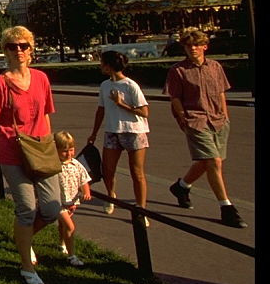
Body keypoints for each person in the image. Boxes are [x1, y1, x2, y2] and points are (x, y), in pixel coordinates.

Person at [0, 26, 59, 284]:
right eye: (13, 47)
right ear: (5, 51)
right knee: (27, 209)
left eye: (24, 45)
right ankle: (26, 267)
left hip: (40, 150)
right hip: (12, 153)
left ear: (31, 49)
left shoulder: (41, 79)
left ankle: (23, 238)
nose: (19, 51)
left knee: (51, 208)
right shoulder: (1, 83)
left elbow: (45, 115)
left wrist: (51, 148)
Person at [164, 29, 246, 228]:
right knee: (214, 161)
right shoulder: (178, 71)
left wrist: (225, 117)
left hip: (218, 120)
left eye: (195, 45)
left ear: (204, 47)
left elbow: (221, 93)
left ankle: (181, 187)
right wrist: (183, 118)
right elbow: (175, 97)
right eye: (188, 45)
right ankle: (226, 207)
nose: (192, 48)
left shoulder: (215, 67)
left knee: (206, 162)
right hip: (196, 120)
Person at [86, 50, 150, 223]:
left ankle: (141, 210)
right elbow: (101, 110)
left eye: (102, 63)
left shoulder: (130, 85)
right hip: (113, 131)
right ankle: (111, 197)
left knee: (137, 173)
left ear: (109, 66)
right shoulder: (105, 85)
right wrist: (94, 133)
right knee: (108, 170)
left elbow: (144, 112)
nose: (100, 66)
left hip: (134, 132)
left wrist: (121, 104)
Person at [54, 131, 91, 267]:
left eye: (71, 150)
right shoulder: (54, 165)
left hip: (71, 201)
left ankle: (61, 243)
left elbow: (84, 180)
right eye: (64, 151)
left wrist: (86, 192)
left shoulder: (76, 164)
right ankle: (72, 256)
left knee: (62, 225)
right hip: (57, 202)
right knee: (70, 226)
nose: (68, 154)